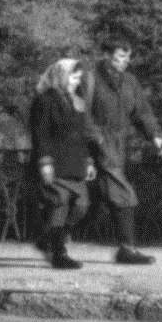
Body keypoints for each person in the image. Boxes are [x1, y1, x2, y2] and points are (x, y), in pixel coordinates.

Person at [86, 41, 162, 266]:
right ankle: (127, 249)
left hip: (122, 144)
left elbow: (142, 111)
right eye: (118, 57)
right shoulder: (90, 79)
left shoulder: (130, 81)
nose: (123, 62)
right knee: (123, 194)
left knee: (99, 197)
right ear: (105, 55)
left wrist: (154, 135)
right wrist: (93, 144)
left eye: (126, 58)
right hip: (97, 144)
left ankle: (56, 243)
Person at [29, 57, 101, 270]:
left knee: (81, 206)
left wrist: (88, 161)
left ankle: (48, 238)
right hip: (54, 162)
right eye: (73, 77)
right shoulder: (45, 100)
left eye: (79, 78)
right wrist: (44, 163)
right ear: (61, 75)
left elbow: (82, 136)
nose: (76, 82)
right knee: (59, 206)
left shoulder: (78, 102)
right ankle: (59, 254)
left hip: (76, 162)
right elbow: (40, 134)